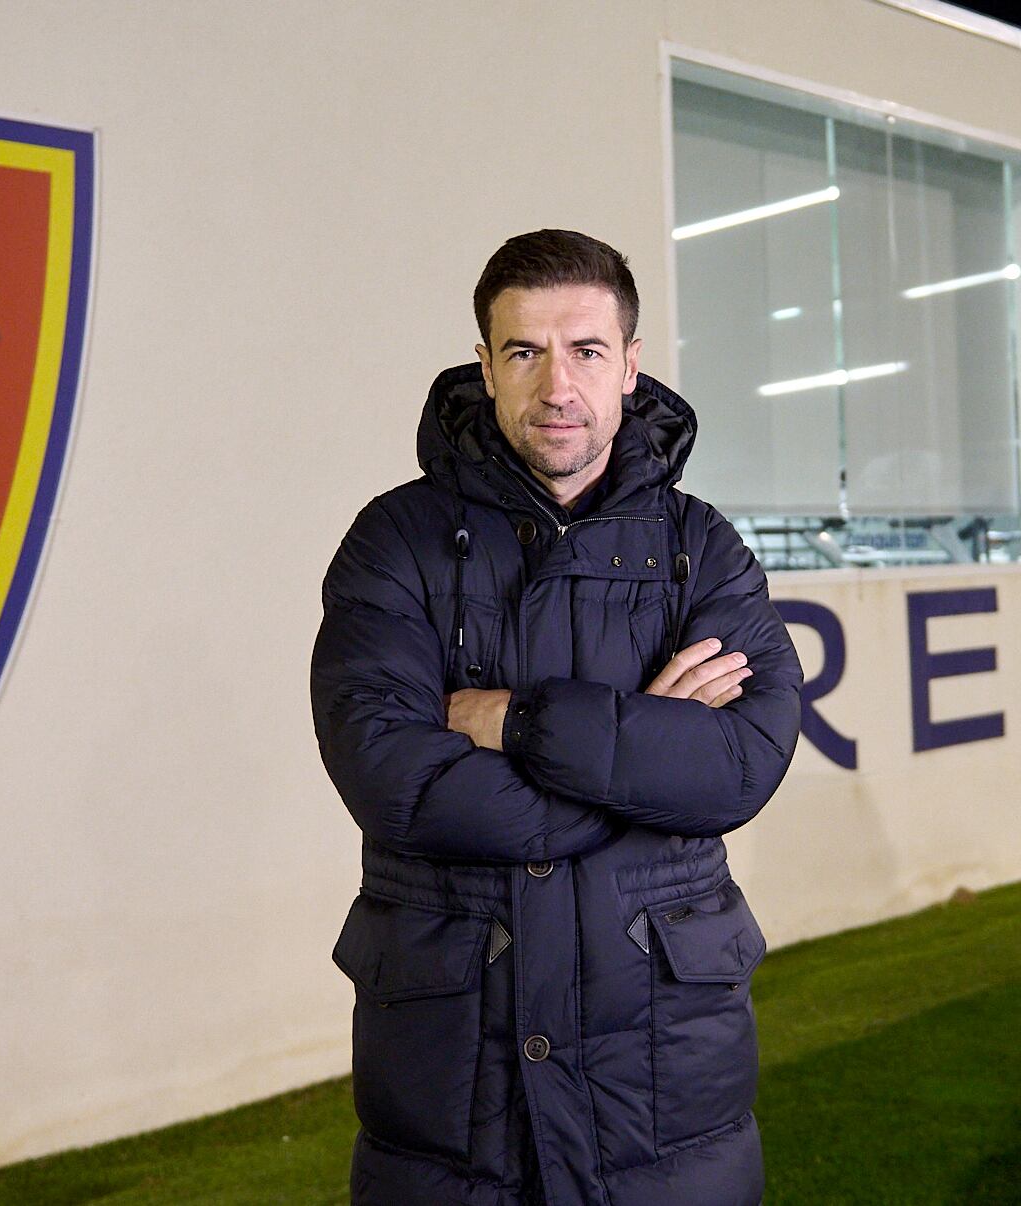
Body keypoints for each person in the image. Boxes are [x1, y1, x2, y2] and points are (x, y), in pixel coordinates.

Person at [310, 229, 803, 1205]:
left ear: (629, 366)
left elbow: (738, 765)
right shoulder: (393, 544)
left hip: (664, 1086)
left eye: (584, 351)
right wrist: (635, 757)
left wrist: (520, 724)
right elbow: (398, 784)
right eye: (524, 352)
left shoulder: (696, 547)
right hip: (454, 1088)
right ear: (484, 365)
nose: (554, 387)